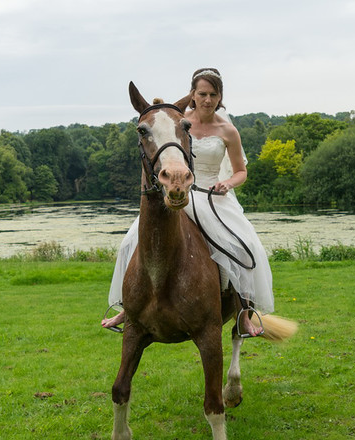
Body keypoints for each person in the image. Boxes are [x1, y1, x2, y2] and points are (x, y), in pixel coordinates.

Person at [102, 68, 273, 337]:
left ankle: (243, 312)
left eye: (213, 94)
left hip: (215, 196)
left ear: (220, 97)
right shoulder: (180, 121)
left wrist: (228, 183)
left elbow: (241, 170)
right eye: (201, 93)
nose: (207, 99)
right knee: (129, 242)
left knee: (245, 245)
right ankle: (128, 307)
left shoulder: (228, 130)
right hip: (181, 191)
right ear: (192, 95)